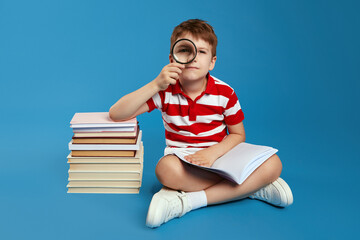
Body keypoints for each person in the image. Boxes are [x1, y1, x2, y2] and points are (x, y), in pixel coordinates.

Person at [109, 19, 293, 228]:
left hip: (223, 158)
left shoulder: (225, 93)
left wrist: (213, 153)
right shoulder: (164, 92)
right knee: (164, 170)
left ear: (212, 62)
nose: (193, 58)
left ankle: (186, 202)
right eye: (185, 50)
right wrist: (155, 84)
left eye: (202, 52)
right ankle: (249, 187)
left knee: (274, 163)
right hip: (185, 164)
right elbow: (117, 114)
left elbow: (238, 135)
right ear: (172, 58)